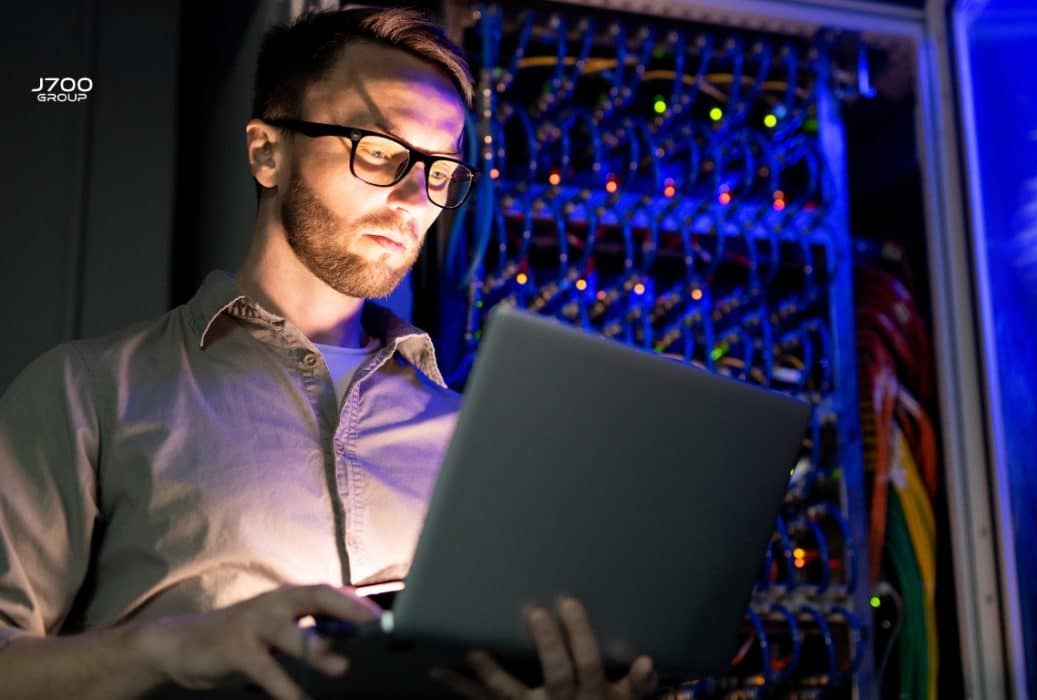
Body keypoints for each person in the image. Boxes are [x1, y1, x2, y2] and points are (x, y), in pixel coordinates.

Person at [0, 8, 657, 700]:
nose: (413, 199)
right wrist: (176, 647)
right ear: (267, 152)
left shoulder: (473, 444)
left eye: (440, 170)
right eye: (378, 149)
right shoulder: (91, 393)